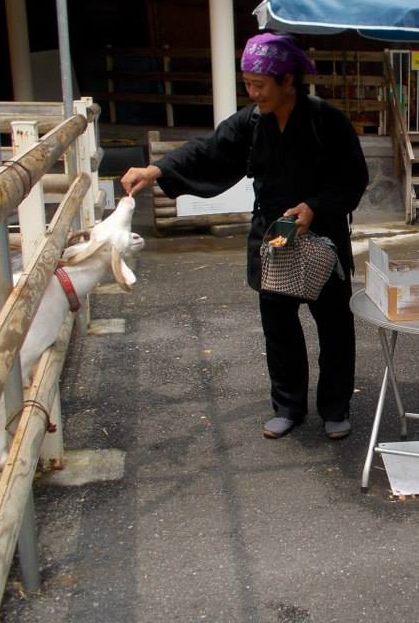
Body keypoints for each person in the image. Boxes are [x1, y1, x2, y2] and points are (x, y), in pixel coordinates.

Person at [121, 33, 369, 441]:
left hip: (323, 240)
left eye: (260, 85)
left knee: (334, 327)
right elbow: (209, 149)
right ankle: (288, 406)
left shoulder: (328, 121)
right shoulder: (252, 122)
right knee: (279, 327)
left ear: (288, 80)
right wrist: (157, 170)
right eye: (248, 84)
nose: (253, 93)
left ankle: (335, 407)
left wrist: (315, 207)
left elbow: (354, 178)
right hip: (274, 238)